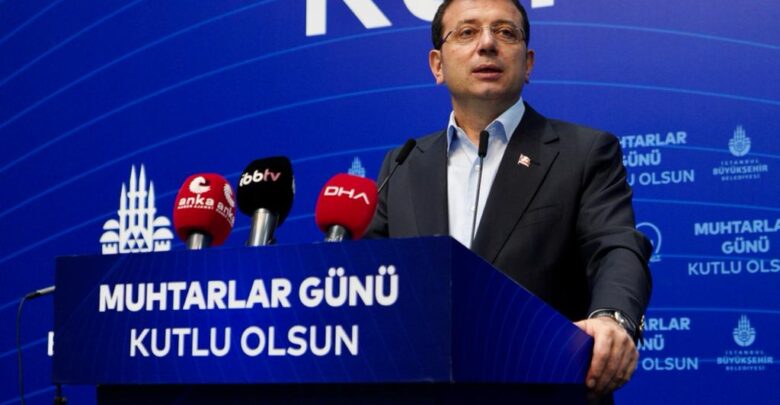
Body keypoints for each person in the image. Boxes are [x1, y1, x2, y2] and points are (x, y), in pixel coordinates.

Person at [366, 0, 652, 401]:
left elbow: (615, 248)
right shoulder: (403, 165)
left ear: (528, 63)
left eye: (505, 32)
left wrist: (611, 318)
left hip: (541, 388)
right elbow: (370, 280)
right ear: (437, 65)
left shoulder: (584, 152)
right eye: (467, 32)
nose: (487, 44)